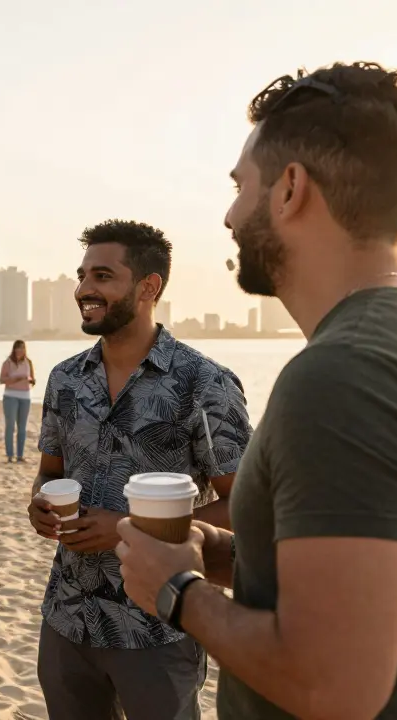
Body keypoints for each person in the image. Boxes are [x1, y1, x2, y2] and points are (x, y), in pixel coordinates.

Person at [116, 62, 397, 720]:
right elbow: (383, 565)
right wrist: (220, 554)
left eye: (239, 185)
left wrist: (178, 593)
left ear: (290, 191)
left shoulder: (347, 375)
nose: (227, 213)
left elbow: (331, 686)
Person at [27, 219, 252, 720]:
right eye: (82, 275)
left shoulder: (205, 383)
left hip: (157, 624)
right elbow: (49, 471)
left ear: (149, 287)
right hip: (66, 618)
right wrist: (40, 504)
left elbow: (247, 506)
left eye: (103, 276)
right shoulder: (65, 380)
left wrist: (131, 531)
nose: (84, 289)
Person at [0, 340, 35, 463]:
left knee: (22, 428)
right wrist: (15, 379)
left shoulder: (28, 362)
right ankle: (10, 455)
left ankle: (20, 456)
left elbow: (33, 379)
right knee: (10, 427)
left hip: (25, 397)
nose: (20, 351)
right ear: (14, 349)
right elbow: (1, 380)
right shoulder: (7, 363)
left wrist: (30, 381)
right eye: (18, 348)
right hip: (10, 396)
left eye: (22, 348)